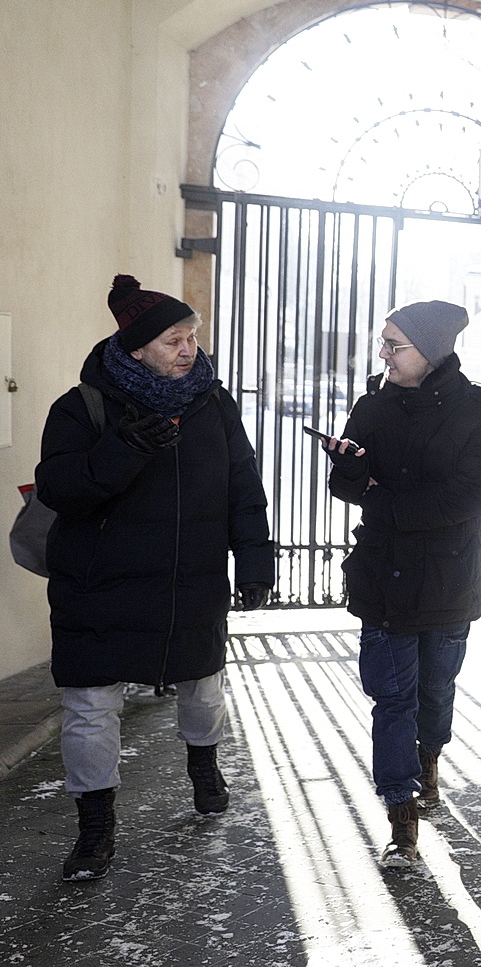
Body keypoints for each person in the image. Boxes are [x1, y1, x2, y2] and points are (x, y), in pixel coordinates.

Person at [36, 274, 275, 881]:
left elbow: (243, 486)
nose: (189, 349)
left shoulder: (213, 403)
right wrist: (122, 450)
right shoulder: (80, 407)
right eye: (174, 340)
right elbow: (60, 490)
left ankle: (204, 766)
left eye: (192, 336)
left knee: (203, 688)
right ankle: (95, 828)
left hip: (188, 580)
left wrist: (254, 560)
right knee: (91, 707)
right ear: (138, 349)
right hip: (98, 585)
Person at [322, 300, 481, 867]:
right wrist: (351, 468)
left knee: (435, 689)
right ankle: (401, 815)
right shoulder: (371, 406)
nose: (383, 354)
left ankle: (429, 759)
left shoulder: (480, 412)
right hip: (382, 577)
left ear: (430, 350)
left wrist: (382, 501)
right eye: (383, 342)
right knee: (391, 698)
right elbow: (344, 487)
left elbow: (471, 498)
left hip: (449, 578)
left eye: (394, 345)